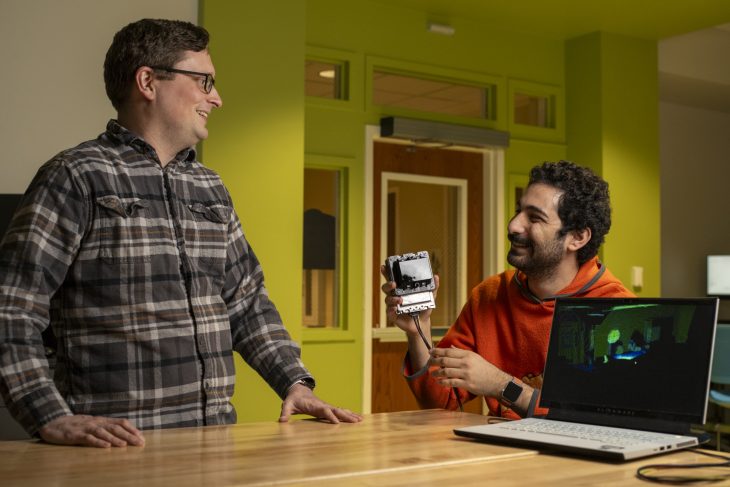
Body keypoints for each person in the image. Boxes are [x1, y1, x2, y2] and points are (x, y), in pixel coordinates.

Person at [0, 18, 361, 449]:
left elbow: (246, 302)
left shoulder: (210, 187)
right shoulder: (76, 176)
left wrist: (294, 382)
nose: (217, 98)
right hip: (113, 452)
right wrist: (48, 416)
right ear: (148, 81)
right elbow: (12, 309)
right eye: (204, 80)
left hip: (212, 444)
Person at [382, 161, 633, 419]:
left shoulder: (618, 311)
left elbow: (605, 422)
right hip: (504, 454)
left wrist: (502, 385)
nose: (514, 225)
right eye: (518, 211)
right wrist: (418, 330)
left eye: (534, 218)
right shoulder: (490, 294)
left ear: (577, 238)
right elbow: (440, 401)